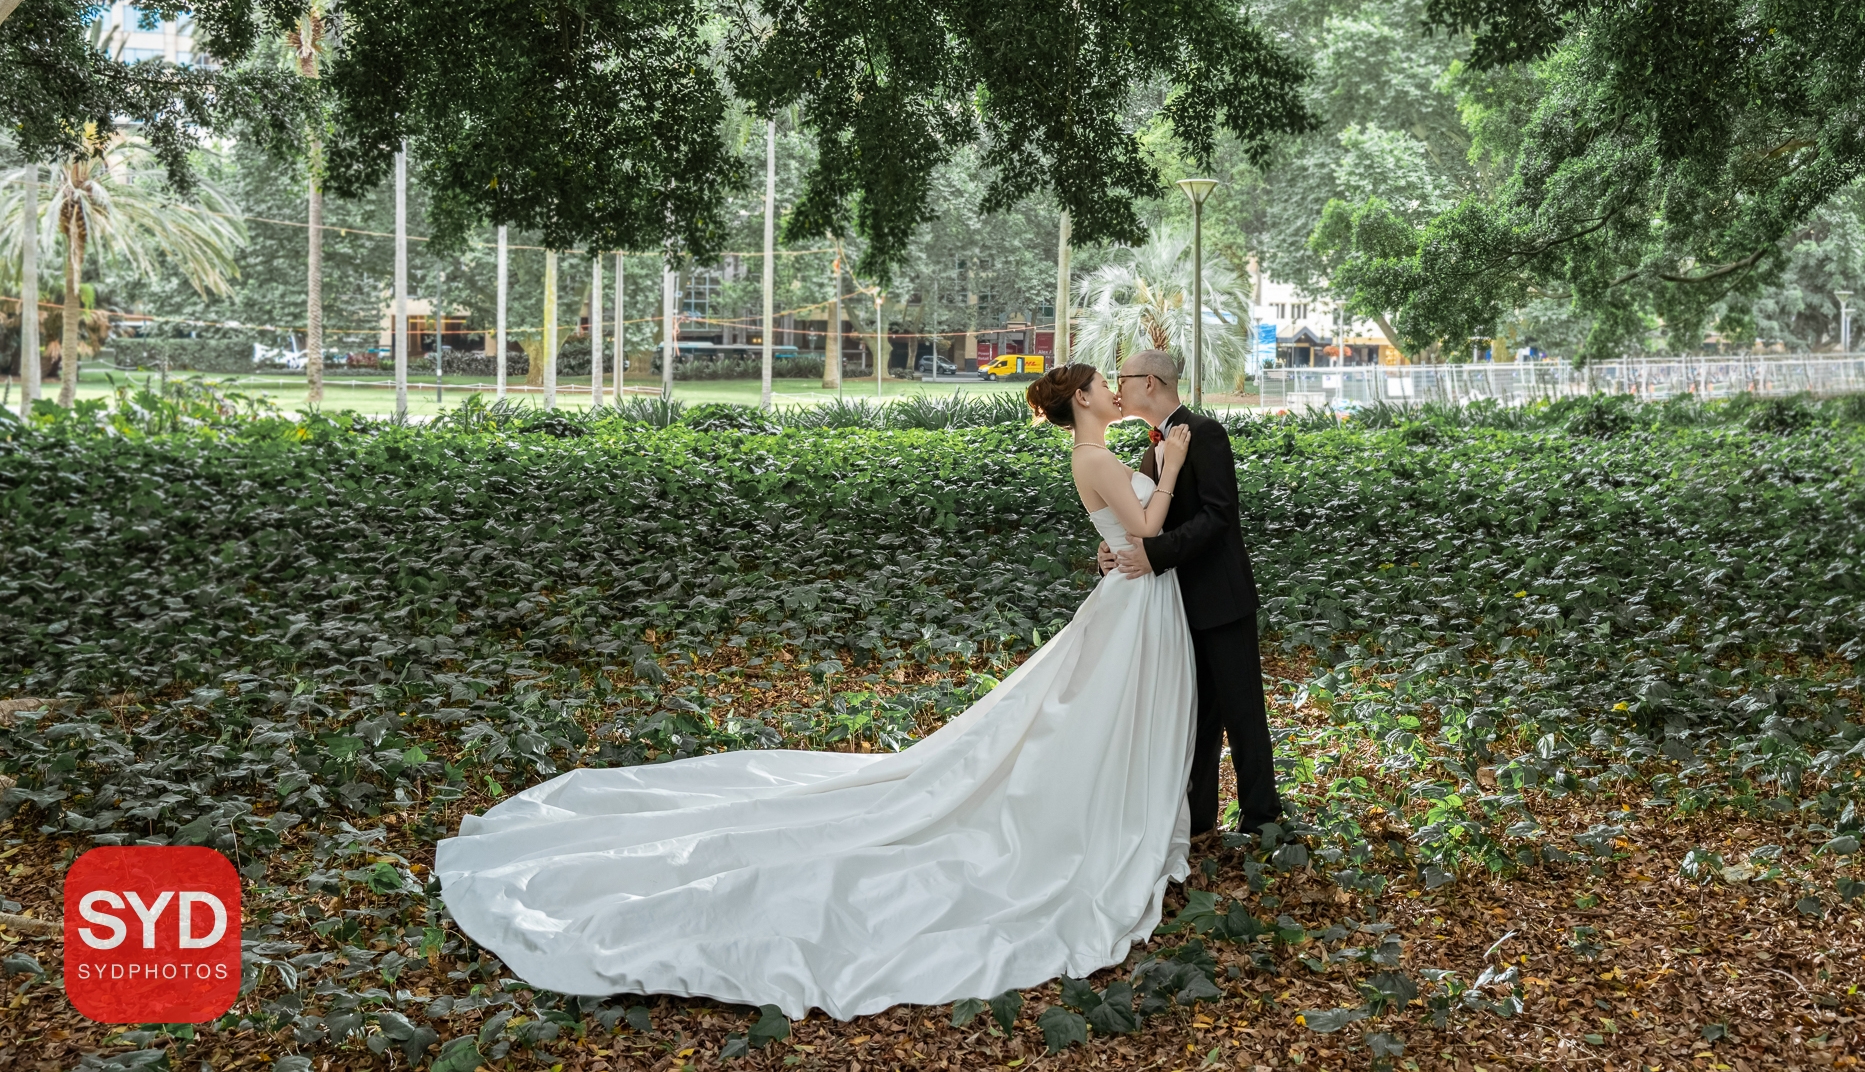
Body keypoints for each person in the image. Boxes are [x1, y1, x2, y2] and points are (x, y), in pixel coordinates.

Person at [434, 363, 1200, 1020]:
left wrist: (1120, 538)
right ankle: (1097, 819)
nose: (1115, 388)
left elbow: (1124, 535)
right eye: (1105, 383)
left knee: (1100, 712)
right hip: (1136, 597)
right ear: (1083, 401)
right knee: (1093, 714)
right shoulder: (1096, 456)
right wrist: (1168, 472)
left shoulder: (1097, 452)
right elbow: (1145, 526)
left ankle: (1121, 805)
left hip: (1134, 594)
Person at [1106, 348, 1284, 837]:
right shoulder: (1153, 449)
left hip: (1221, 598)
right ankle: (1198, 819)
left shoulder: (1204, 433)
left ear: (1149, 382)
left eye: (1121, 378)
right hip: (1175, 603)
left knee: (1242, 712)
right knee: (1195, 716)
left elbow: (1218, 515)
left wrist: (1156, 553)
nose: (1117, 388)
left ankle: (1262, 818)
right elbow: (1149, 520)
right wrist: (1115, 551)